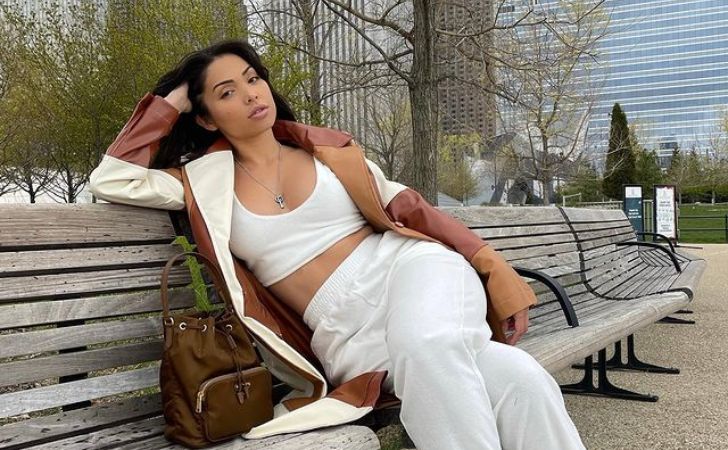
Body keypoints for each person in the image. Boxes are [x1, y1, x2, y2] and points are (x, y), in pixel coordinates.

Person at [89, 39, 585, 450]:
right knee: (519, 381)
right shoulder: (199, 183)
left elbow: (411, 209)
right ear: (206, 117)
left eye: (253, 78)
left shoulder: (327, 152)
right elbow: (113, 179)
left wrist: (492, 267)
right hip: (345, 333)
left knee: (427, 343)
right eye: (227, 91)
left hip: (410, 272)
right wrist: (172, 102)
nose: (250, 94)